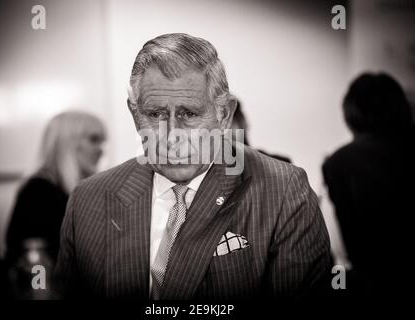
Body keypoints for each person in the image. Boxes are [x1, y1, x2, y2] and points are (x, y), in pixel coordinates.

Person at [55, 33, 330, 300]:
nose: (172, 134)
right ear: (135, 114)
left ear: (224, 114)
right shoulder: (88, 200)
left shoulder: (282, 191)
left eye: (189, 114)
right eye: (155, 114)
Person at [322, 73, 415, 298]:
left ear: (349, 114)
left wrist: (338, 286)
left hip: (371, 284)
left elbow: (335, 247)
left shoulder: (338, 163)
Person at [5, 111, 106, 266]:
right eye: (94, 139)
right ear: (67, 143)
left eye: (102, 141)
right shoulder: (38, 192)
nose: (101, 150)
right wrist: (40, 289)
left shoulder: (75, 190)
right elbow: (35, 261)